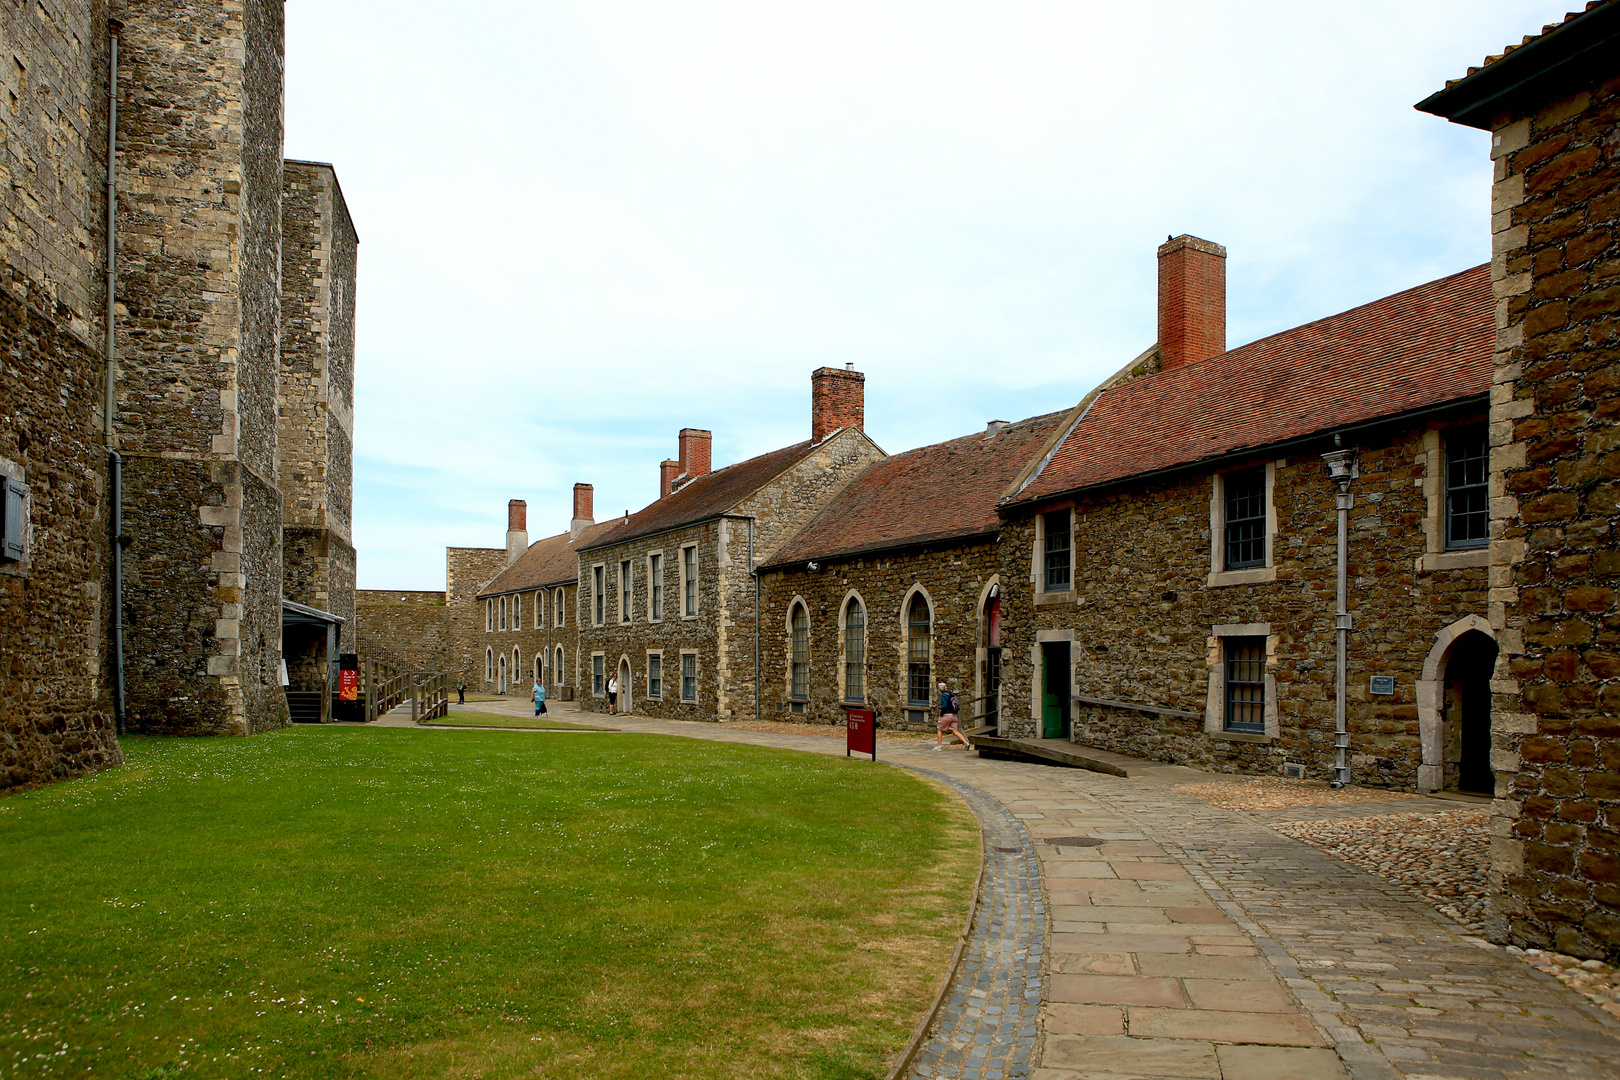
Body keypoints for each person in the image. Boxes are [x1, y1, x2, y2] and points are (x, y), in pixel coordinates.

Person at [934, 680, 970, 751]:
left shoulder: (943, 696)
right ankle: (966, 742)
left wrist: (942, 714)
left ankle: (939, 746)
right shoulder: (951, 694)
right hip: (954, 715)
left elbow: (944, 706)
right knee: (955, 731)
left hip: (947, 715)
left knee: (940, 729)